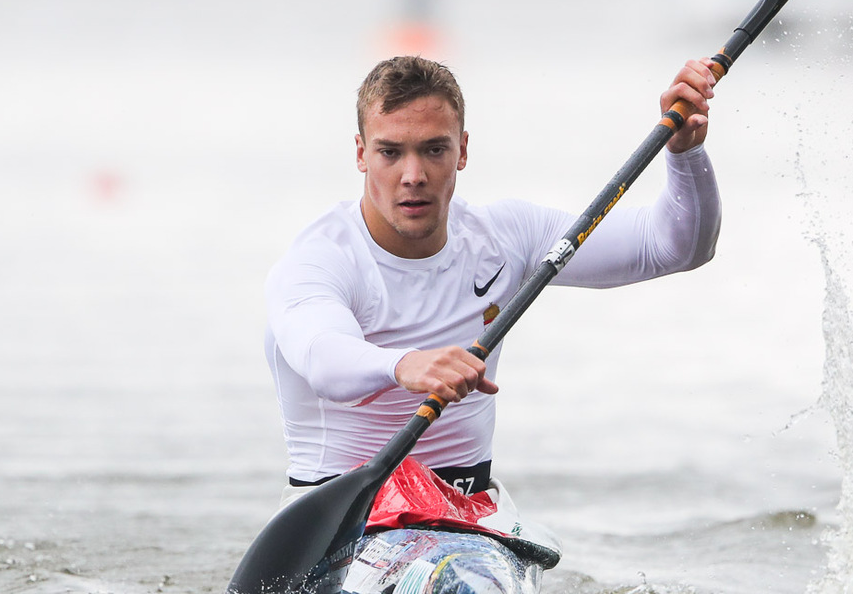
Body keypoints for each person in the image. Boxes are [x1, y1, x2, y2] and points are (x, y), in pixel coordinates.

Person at [264, 55, 720, 502]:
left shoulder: (505, 237)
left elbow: (674, 247)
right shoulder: (320, 260)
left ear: (462, 151)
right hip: (342, 519)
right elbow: (323, 360)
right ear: (362, 154)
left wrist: (685, 153)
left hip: (467, 515)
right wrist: (403, 365)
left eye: (434, 149)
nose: (413, 176)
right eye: (390, 152)